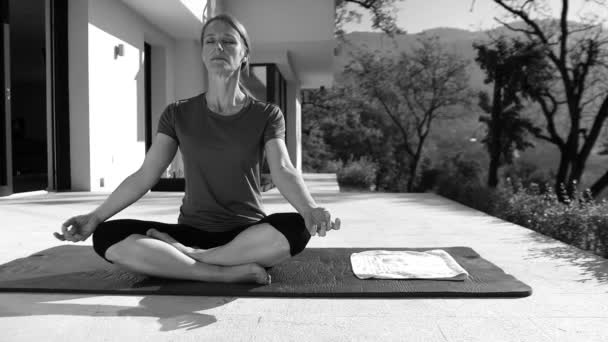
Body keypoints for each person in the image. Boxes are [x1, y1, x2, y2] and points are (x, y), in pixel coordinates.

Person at [54, 13, 341, 285]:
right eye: (210, 41)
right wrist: (95, 217)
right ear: (203, 53)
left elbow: (283, 169)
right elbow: (146, 175)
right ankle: (218, 273)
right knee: (107, 235)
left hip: (247, 237)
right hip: (191, 231)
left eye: (229, 41)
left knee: (297, 227)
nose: (219, 46)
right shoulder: (177, 114)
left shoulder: (266, 114)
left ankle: (192, 259)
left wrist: (310, 208)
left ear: (244, 55)